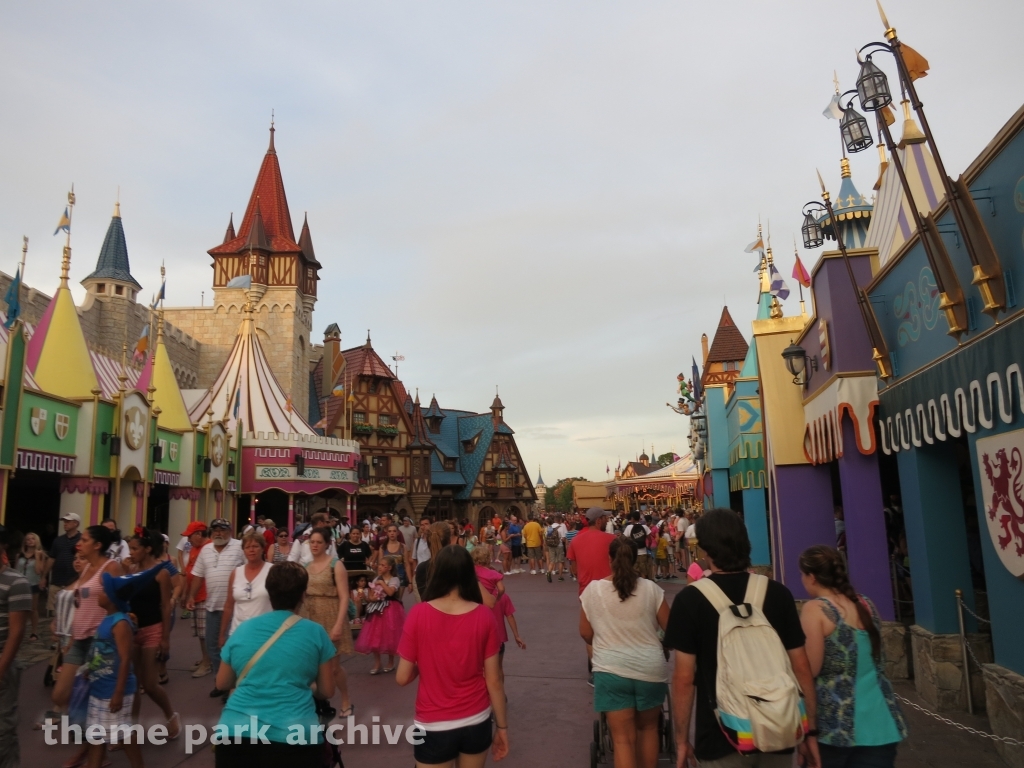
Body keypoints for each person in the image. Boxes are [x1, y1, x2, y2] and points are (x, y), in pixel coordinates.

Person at [664, 509, 820, 768]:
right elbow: (801, 666)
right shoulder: (777, 593)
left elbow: (683, 678)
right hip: (779, 728)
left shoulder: (690, 599)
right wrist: (809, 729)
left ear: (706, 549)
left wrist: (681, 739)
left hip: (720, 735)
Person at [214, 562, 336, 767]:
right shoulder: (316, 633)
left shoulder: (243, 629)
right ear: (303, 595)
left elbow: (222, 682)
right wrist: (307, 685)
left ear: (269, 594)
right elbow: (327, 690)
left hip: (236, 733)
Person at [397, 545, 509, 766]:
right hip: (476, 718)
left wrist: (425, 660)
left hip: (434, 723)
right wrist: (502, 728)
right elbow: (494, 680)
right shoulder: (484, 616)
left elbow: (402, 677)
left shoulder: (419, 614)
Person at [799, 546, 906, 768]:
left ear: (812, 577)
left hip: (835, 725)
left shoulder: (815, 610)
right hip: (881, 722)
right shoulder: (866, 604)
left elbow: (811, 670)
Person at [580, 537, 669, 768]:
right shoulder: (652, 589)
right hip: (650, 668)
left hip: (611, 670)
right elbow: (671, 628)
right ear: (635, 559)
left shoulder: (593, 591)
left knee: (622, 740)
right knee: (649, 729)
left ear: (609, 559)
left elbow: (585, 633)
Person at [51, 526, 122, 720]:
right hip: (80, 638)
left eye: (84, 540)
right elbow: (80, 604)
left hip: (99, 639)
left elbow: (119, 602)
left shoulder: (111, 567)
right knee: (59, 694)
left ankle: (103, 736)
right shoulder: (87, 568)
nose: (78, 544)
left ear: (98, 545)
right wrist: (72, 636)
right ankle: (84, 726)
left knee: (101, 692)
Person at [123, 529, 180, 739]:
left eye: (135, 548)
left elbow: (166, 606)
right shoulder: (129, 569)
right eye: (130, 548)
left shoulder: (161, 572)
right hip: (133, 629)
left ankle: (170, 715)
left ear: (147, 549)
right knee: (133, 684)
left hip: (153, 629)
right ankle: (131, 730)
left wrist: (165, 638)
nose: (131, 552)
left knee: (149, 683)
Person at [85, 572, 144, 768]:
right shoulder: (107, 619)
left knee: (123, 735)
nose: (99, 593)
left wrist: (118, 692)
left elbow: (126, 658)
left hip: (114, 690)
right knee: (96, 737)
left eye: (103, 591)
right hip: (100, 689)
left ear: (112, 599)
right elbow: (101, 651)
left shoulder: (120, 623)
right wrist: (89, 669)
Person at [186, 518, 245, 695]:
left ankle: (234, 686)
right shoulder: (205, 550)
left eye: (223, 529)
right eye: (216, 530)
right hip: (212, 606)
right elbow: (198, 575)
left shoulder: (239, 546)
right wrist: (191, 596)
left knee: (231, 646)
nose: (219, 533)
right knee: (212, 646)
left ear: (230, 531)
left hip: (234, 608)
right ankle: (221, 681)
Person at [302, 527, 353, 717]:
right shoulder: (306, 567)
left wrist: (339, 624)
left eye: (318, 542)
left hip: (331, 614)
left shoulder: (335, 565)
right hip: (312, 616)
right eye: (312, 542)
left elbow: (344, 596)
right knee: (313, 667)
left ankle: (346, 699)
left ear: (327, 544)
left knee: (332, 667)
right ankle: (319, 704)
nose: (315, 545)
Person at [0, 526, 31, 768]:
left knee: (2, 729)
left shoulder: (16, 582)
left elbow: (17, 631)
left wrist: (1, 668)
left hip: (3, 663)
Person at [354, 555, 405, 674]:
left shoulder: (394, 579)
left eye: (383, 565)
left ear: (389, 567)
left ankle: (390, 661)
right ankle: (377, 662)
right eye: (380, 564)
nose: (380, 567)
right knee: (375, 635)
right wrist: (366, 597)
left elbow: (391, 592)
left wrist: (382, 583)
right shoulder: (376, 578)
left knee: (390, 634)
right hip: (376, 608)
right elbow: (371, 598)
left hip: (391, 608)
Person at [220, 532, 274, 645]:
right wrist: (222, 634)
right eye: (247, 547)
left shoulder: (273, 571)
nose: (251, 550)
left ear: (263, 548)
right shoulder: (236, 573)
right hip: (238, 632)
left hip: (264, 634)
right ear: (243, 550)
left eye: (255, 546)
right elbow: (229, 605)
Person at [47, 512, 83, 615]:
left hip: (75, 581)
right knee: (56, 613)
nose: (65, 524)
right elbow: (51, 558)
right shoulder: (58, 540)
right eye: (64, 522)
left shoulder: (82, 540)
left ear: (76, 523)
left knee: (73, 611)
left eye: (68, 521)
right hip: (57, 580)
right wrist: (43, 577)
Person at [15, 533, 45, 642]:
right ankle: (18, 631)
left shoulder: (40, 554)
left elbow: (38, 571)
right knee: (18, 609)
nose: (30, 541)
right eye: (28, 539)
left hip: (32, 584)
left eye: (33, 539)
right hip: (19, 584)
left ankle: (34, 632)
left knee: (33, 609)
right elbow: (15, 569)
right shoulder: (20, 555)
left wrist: (37, 557)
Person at [372, 524, 411, 595]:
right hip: (386, 578)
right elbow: (380, 565)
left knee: (398, 601)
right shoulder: (383, 547)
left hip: (401, 577)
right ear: (387, 533)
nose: (392, 533)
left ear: (398, 533)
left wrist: (410, 582)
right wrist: (379, 577)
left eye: (394, 531)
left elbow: (407, 564)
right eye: (390, 531)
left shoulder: (403, 547)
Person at [544, 515, 568, 583]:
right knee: (560, 561)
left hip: (551, 546)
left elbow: (546, 536)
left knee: (552, 560)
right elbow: (563, 538)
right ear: (560, 520)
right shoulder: (561, 527)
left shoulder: (549, 527)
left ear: (554, 520)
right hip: (559, 545)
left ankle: (549, 571)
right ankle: (560, 576)